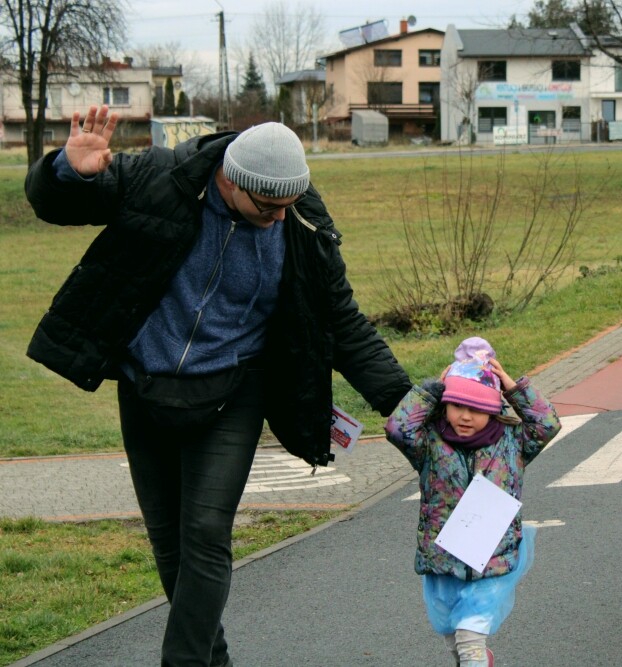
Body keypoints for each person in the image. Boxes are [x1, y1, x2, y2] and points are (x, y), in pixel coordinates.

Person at [24, 105, 412, 666]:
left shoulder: (301, 226)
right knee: (171, 544)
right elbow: (58, 205)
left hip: (234, 392)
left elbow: (344, 324)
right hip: (144, 385)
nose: (280, 217)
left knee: (205, 532)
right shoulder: (158, 178)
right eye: (267, 205)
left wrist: (407, 405)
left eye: (288, 204)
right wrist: (68, 169)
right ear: (229, 181)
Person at [383, 337, 561, 667]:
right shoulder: (430, 444)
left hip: (492, 560)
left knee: (469, 636)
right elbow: (398, 428)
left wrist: (512, 387)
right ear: (445, 405)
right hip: (443, 559)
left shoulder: (513, 443)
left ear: (493, 409)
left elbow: (546, 423)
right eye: (457, 406)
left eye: (477, 409)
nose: (466, 416)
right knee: (454, 635)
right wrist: (433, 389)